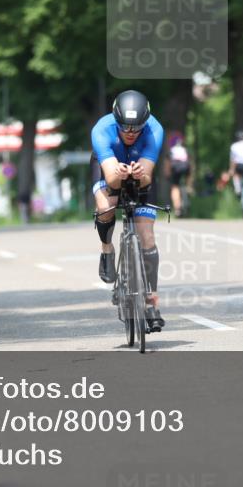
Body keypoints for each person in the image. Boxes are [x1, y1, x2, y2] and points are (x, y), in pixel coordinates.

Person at [91, 89, 166, 332]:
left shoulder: (155, 130)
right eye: (125, 128)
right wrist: (120, 175)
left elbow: (146, 178)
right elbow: (112, 179)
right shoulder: (102, 129)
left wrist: (139, 175)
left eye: (136, 128)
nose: (130, 133)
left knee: (147, 237)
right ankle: (106, 249)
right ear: (116, 120)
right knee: (105, 207)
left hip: (141, 177)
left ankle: (151, 299)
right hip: (110, 172)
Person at [165, 133, 192, 218]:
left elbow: (168, 163)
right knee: (188, 178)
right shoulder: (185, 149)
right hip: (185, 165)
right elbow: (190, 162)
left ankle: (177, 208)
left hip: (176, 167)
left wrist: (167, 174)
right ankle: (188, 188)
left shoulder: (171, 150)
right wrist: (190, 176)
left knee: (174, 187)